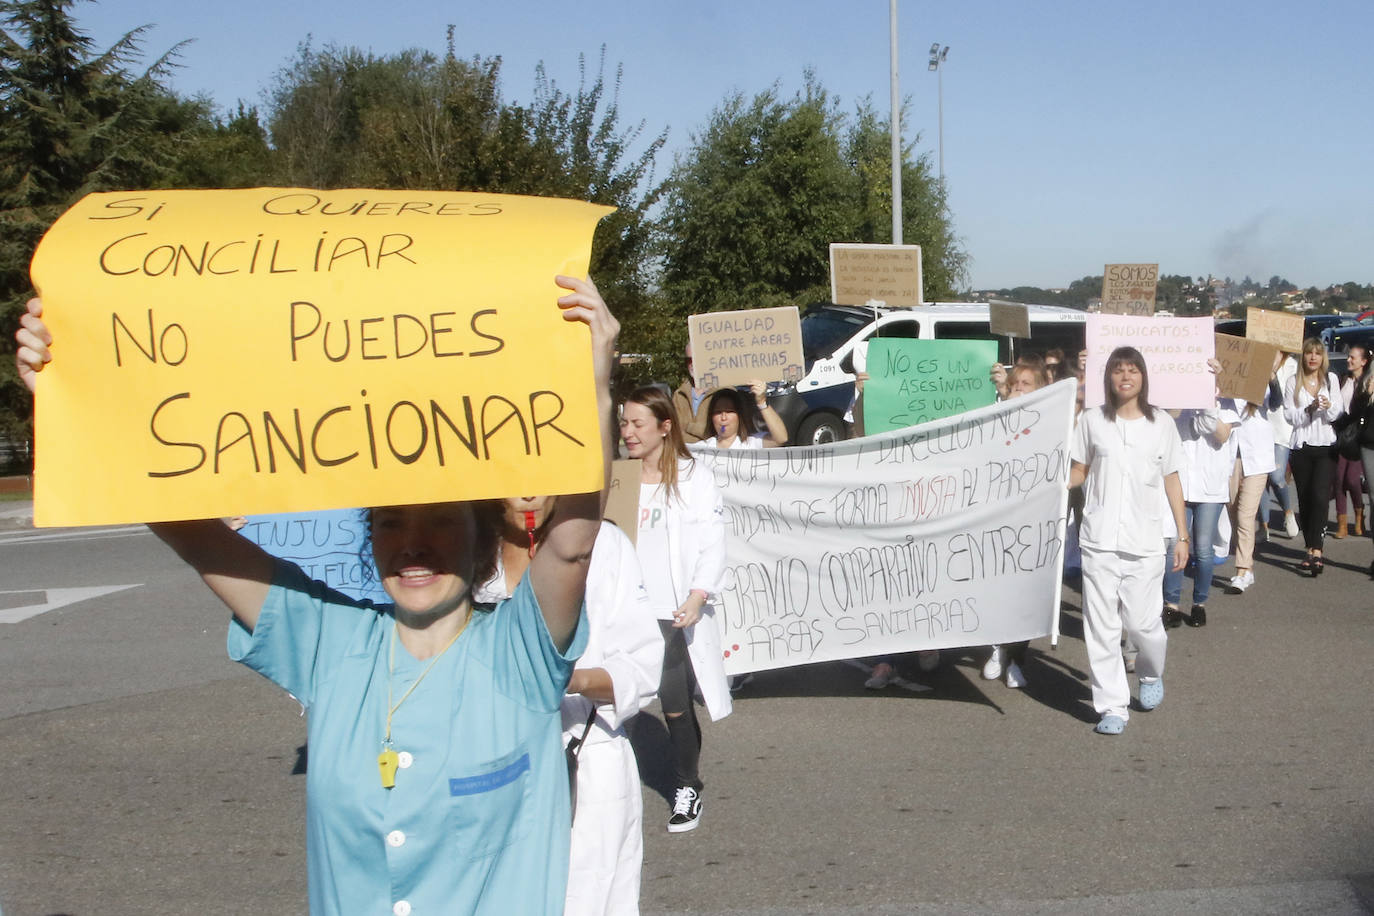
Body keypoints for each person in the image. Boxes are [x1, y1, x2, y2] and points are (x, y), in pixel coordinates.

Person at [15, 279, 620, 915]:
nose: (413, 547)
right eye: (390, 525)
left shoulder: (518, 654)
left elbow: (569, 547)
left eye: (440, 522)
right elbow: (199, 538)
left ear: (479, 545)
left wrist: (591, 386)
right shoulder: (330, 643)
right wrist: (71, 398)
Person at [472, 496, 663, 916]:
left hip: (585, 765)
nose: (528, 494)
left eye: (543, 477)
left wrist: (564, 676)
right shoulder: (464, 552)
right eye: (513, 479)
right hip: (486, 772)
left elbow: (643, 669)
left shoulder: (605, 546)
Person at [619, 386, 731, 832]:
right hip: (629, 608)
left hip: (676, 609)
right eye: (624, 423)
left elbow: (713, 540)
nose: (628, 432)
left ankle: (686, 786)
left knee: (673, 702)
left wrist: (697, 594)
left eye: (637, 423)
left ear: (665, 427)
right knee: (619, 701)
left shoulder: (694, 477)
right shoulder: (619, 480)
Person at [1069, 346, 1188, 736]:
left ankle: (1150, 673)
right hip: (1099, 538)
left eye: (1132, 370)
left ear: (1143, 377)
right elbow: (1079, 471)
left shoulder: (1161, 425)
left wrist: (1182, 535)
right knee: (1101, 627)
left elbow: (1172, 478)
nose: (1125, 376)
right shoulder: (1091, 421)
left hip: (1146, 540)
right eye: (1118, 370)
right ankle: (1113, 706)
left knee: (1142, 624)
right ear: (1109, 378)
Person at [982, 359, 1051, 687]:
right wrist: (1002, 399)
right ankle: (996, 647)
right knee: (997, 584)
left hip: (1033, 516)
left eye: (1027, 384)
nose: (1020, 388)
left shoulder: (1048, 421)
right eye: (1016, 383)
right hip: (998, 515)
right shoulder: (997, 415)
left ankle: (1016, 660)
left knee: (1024, 591)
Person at [1161, 360, 1232, 628]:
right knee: (1175, 547)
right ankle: (1171, 604)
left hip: (1210, 489)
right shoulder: (1176, 402)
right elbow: (1168, 420)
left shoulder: (1224, 403)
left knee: (1203, 550)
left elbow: (1220, 433)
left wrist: (1208, 397)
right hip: (1180, 484)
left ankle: (1199, 602)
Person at [1283, 338, 1343, 576]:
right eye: (1309, 353)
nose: (1313, 358)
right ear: (1304, 356)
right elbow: (1289, 416)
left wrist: (1327, 406)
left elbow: (1338, 412)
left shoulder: (1331, 380)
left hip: (1326, 447)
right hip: (1301, 447)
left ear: (1322, 358)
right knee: (1306, 498)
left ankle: (1317, 550)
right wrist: (1307, 410)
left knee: (1320, 496)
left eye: (1317, 354)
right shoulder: (1292, 382)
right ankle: (1309, 547)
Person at [1222, 377, 1281, 594]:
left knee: (1246, 515)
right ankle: (1248, 566)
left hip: (1256, 457)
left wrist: (1273, 380)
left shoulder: (1261, 376)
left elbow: (1276, 402)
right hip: (1230, 455)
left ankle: (1242, 570)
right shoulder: (1225, 376)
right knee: (1234, 512)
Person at [1332, 345, 1369, 538]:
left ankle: (1359, 512)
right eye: (1348, 357)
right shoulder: (1343, 380)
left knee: (1353, 480)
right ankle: (1342, 524)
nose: (1349, 360)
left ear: (1363, 361)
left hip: (1359, 437)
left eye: (1353, 358)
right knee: (1338, 480)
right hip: (1342, 434)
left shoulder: (1367, 382)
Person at [1264, 353, 1301, 539]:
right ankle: (1264, 525)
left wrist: (1273, 372)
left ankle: (1288, 511)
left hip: (1281, 429)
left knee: (1277, 476)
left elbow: (1282, 399)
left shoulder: (1292, 365)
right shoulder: (1259, 357)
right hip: (1259, 426)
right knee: (1260, 479)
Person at [1347, 354, 1374, 578]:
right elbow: (1355, 410)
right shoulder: (1369, 376)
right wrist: (1367, 393)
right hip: (1370, 444)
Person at [702, 380, 788, 449]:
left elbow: (781, 439)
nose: (724, 418)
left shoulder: (752, 444)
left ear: (739, 416)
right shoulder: (702, 448)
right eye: (718, 412)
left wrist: (761, 402)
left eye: (729, 411)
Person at [671, 343, 712, 444]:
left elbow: (720, 432)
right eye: (688, 360)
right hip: (684, 456)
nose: (692, 364)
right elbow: (674, 432)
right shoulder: (679, 395)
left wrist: (687, 426)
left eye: (697, 359)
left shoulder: (723, 393)